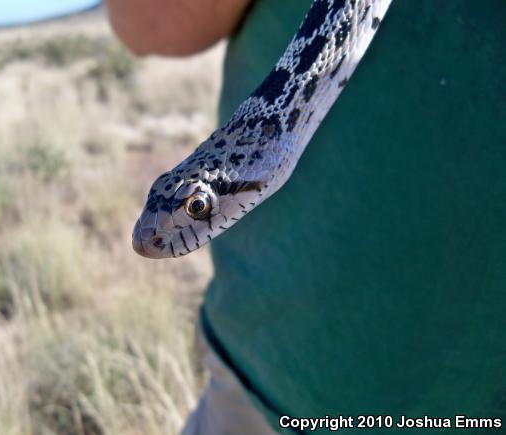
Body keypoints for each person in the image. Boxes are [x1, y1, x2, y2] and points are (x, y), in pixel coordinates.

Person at [106, 0, 506, 433]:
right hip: (254, 380)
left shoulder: (277, 135)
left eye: (198, 208)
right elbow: (147, 24)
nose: (154, 240)